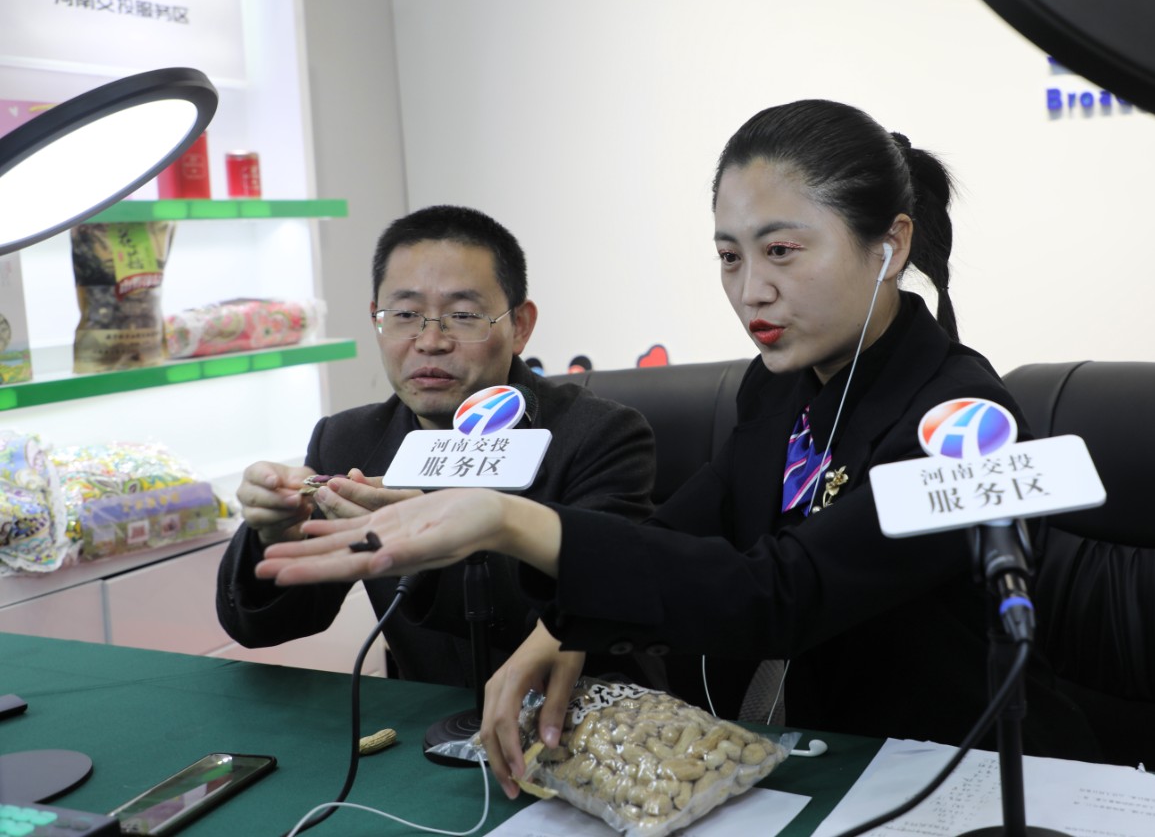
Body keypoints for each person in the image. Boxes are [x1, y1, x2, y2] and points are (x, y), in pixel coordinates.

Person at [256, 101, 1065, 793]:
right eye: (729, 257)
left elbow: (782, 598)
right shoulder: (781, 387)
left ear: (890, 245)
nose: (751, 290)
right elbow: (681, 527)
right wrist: (559, 631)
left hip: (954, 770)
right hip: (814, 757)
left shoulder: (963, 422)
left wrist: (505, 519)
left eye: (782, 251)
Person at [217, 204, 655, 686]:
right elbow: (265, 628)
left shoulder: (599, 435)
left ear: (520, 326)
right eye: (405, 315)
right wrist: (275, 534)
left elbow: (601, 612)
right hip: (423, 722)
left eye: (462, 315)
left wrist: (427, 546)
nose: (430, 341)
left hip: (580, 715)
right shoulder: (347, 441)